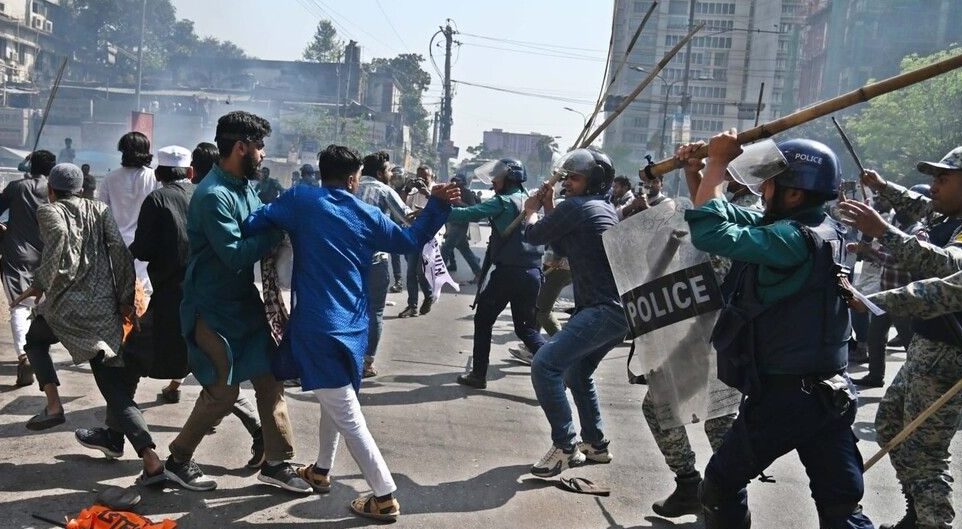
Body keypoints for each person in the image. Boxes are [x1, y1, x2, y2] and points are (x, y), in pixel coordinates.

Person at [244, 144, 459, 522]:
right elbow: (410, 242)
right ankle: (322, 471)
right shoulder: (367, 213)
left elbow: (253, 222)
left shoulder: (300, 200)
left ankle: (384, 495)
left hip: (318, 327)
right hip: (354, 327)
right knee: (338, 401)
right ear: (351, 179)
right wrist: (438, 207)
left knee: (346, 413)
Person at [685, 130, 872, 529]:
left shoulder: (789, 239)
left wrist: (717, 163)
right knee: (841, 507)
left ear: (793, 194)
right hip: (830, 392)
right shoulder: (819, 230)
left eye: (769, 184)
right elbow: (724, 215)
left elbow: (710, 231)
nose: (762, 193)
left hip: (786, 396)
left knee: (719, 486)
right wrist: (698, 172)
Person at [161, 111, 308, 493]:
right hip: (211, 309)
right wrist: (274, 234)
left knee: (270, 380)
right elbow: (236, 254)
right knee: (223, 392)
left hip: (243, 302)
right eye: (259, 147)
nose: (262, 155)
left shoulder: (243, 186)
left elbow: (260, 220)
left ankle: (278, 463)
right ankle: (177, 459)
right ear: (240, 147)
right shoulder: (213, 195)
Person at [13, 163, 166, 483]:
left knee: (35, 341)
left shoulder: (49, 211)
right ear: (82, 188)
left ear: (51, 190)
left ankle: (53, 406)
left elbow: (56, 241)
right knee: (113, 387)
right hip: (103, 312)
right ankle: (151, 458)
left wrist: (40, 282)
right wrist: (126, 300)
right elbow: (122, 256)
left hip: (65, 309)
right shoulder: (100, 210)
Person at [838, 146, 962, 529]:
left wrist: (873, 300)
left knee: (925, 452)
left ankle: (932, 522)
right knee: (892, 426)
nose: (933, 185)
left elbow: (948, 275)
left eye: (944, 178)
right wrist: (882, 186)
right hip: (927, 344)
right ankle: (918, 511)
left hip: (950, 352)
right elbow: (917, 205)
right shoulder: (948, 216)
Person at [522, 149, 628, 477]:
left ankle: (566, 448)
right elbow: (567, 246)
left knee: (545, 366)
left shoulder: (579, 206)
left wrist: (530, 211)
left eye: (576, 177)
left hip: (602, 309)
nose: (568, 182)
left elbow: (534, 235)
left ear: (593, 182)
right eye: (567, 176)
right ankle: (595, 444)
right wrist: (551, 206)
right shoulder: (601, 208)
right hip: (619, 311)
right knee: (578, 373)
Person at [450, 159, 545, 387]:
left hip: (509, 274)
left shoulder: (502, 201)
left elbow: (470, 214)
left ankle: (478, 374)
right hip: (532, 273)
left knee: (483, 320)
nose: (493, 181)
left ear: (508, 178)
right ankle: (559, 368)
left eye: (497, 177)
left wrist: (438, 209)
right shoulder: (528, 200)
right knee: (525, 329)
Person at [0, 150, 54, 387]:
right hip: (48, 254)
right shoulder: (54, 189)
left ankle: (24, 356)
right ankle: (37, 350)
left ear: (30, 165)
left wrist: (4, 227)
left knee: (19, 307)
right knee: (42, 305)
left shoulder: (16, 187)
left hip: (17, 254)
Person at [356, 152, 412, 378]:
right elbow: (409, 219)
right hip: (375, 261)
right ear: (380, 173)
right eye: (389, 170)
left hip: (347, 260)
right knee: (375, 312)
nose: (391, 174)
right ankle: (367, 363)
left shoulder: (352, 186)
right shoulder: (384, 190)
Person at [99, 132, 160, 294]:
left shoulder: (110, 178)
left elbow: (101, 212)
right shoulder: (154, 177)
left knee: (118, 294)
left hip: (116, 246)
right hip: (146, 245)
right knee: (144, 293)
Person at [398, 165, 435, 318]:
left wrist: (426, 192)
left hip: (429, 236)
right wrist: (407, 189)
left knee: (421, 272)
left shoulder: (437, 190)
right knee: (411, 272)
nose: (421, 180)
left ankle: (429, 295)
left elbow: (442, 208)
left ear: (431, 177)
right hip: (413, 234)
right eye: (418, 177)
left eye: (424, 178)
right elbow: (400, 205)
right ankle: (412, 306)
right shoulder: (413, 191)